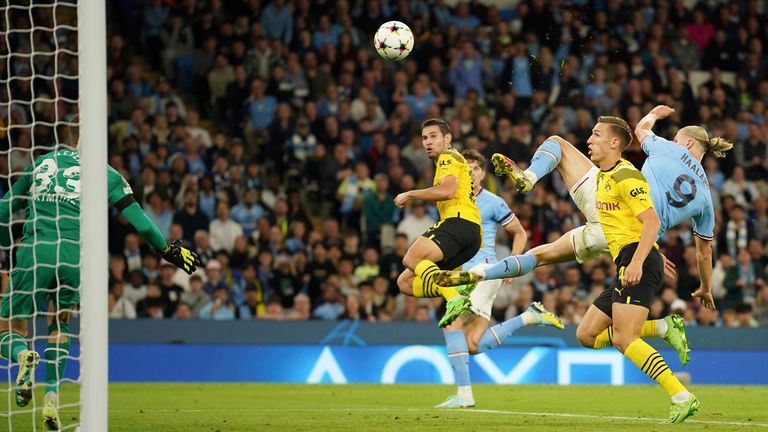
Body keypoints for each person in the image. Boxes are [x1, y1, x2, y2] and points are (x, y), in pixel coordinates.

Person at [438, 105, 733, 364]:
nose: (674, 142)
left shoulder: (667, 148)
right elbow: (703, 252)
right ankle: (661, 328)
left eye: (678, 139)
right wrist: (705, 287)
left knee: (557, 145)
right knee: (541, 256)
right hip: (625, 237)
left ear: (689, 144)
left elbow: (640, 128)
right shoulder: (707, 198)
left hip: (612, 204)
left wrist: (655, 114)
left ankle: (527, 179)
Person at [0, 124, 200, 429]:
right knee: (60, 323)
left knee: (11, 326)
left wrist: (5, 250)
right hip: (74, 257)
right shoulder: (105, 173)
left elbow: (4, 210)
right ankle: (51, 397)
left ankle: (23, 354)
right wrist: (168, 251)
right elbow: (142, 224)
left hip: (35, 249)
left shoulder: (40, 164)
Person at [583, 115, 699, 423]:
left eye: (596, 135)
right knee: (586, 335)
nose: (589, 140)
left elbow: (652, 221)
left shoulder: (627, 177)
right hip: (629, 260)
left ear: (614, 143)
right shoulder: (601, 176)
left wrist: (639, 260)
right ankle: (663, 327)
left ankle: (681, 395)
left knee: (624, 339)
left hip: (637, 260)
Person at [436, 149, 563, 409]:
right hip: (460, 275)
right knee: (471, 344)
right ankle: (529, 317)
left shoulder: (493, 202)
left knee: (451, 324)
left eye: (474, 169)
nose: (470, 173)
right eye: (465, 169)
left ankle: (464, 395)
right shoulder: (452, 201)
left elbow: (519, 232)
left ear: (482, 174)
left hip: (482, 272)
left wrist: (512, 265)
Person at [393, 118, 482, 328]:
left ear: (447, 138)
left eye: (433, 136)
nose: (427, 142)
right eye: (424, 138)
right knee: (405, 282)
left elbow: (447, 191)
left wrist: (410, 193)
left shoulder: (448, 157)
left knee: (412, 257)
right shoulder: (452, 160)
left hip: (459, 223)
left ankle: (453, 297)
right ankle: (458, 286)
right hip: (470, 237)